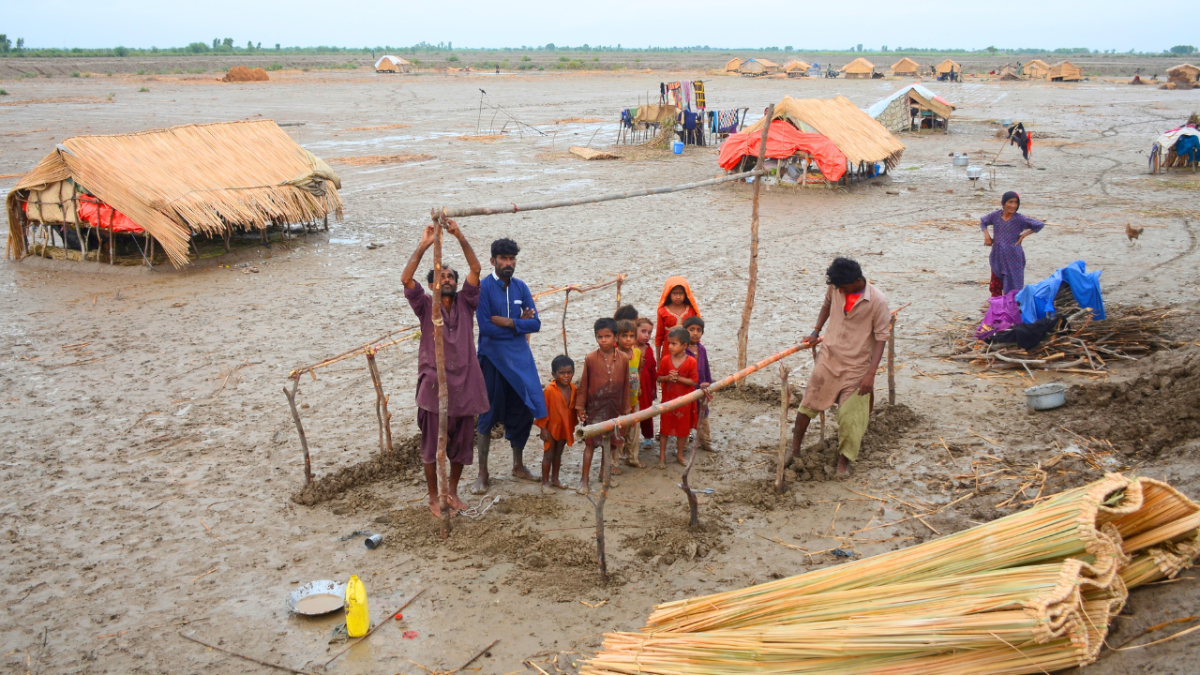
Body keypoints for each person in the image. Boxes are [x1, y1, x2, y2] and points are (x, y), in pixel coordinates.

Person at [400, 220, 488, 517]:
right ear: (433, 283)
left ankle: (451, 492)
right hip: (434, 385)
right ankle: (433, 496)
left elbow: (476, 269)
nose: (447, 279)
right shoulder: (426, 305)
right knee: (431, 446)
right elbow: (406, 278)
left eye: (451, 276)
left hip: (466, 385)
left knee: (462, 445)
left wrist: (460, 236)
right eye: (441, 276)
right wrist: (425, 245)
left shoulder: (467, 301)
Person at [790, 258, 891, 476]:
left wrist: (870, 375)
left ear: (857, 281)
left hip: (857, 366)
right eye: (837, 288)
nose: (840, 292)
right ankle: (794, 449)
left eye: (844, 288)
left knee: (850, 417)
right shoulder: (836, 288)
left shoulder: (878, 302)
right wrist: (816, 331)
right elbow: (827, 305)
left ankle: (844, 461)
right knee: (808, 404)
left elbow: (882, 338)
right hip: (829, 357)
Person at [473, 238, 547, 494]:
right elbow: (485, 328)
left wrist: (508, 323)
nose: (508, 263)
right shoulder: (482, 289)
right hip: (492, 360)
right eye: (503, 259)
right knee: (488, 413)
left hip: (519, 359)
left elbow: (536, 324)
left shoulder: (521, 288)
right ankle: (483, 472)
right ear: (493, 261)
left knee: (525, 409)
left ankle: (518, 464)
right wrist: (518, 324)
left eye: (512, 258)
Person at [574, 318, 630, 495]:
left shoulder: (623, 358)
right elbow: (584, 384)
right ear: (596, 338)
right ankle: (584, 480)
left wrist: (626, 410)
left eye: (607, 336)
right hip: (595, 407)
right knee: (590, 445)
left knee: (610, 445)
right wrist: (580, 407)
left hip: (614, 407)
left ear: (615, 338)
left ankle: (605, 476)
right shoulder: (590, 358)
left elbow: (626, 385)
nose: (603, 340)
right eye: (600, 337)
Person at [981, 191, 1045, 297]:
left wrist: (1023, 235)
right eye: (1010, 202)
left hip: (1014, 258)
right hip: (997, 255)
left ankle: (1011, 308)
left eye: (1016, 203)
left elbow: (1039, 224)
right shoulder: (995, 216)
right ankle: (996, 307)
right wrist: (987, 236)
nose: (1013, 205)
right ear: (1003, 203)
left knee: (1013, 288)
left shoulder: (1019, 219)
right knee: (995, 286)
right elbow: (983, 221)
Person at [657, 326, 699, 468]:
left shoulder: (691, 361)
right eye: (669, 343)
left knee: (682, 431)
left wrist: (678, 378)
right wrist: (668, 377)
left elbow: (694, 381)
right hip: (668, 400)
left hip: (684, 402)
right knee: (664, 429)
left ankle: (680, 454)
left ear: (684, 346)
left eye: (674, 344)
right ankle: (662, 457)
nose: (670, 346)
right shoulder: (665, 360)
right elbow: (659, 378)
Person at [535, 355, 576, 495]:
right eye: (562, 373)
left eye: (569, 372)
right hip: (551, 428)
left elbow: (574, 408)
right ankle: (545, 482)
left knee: (558, 454)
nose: (566, 376)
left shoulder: (573, 389)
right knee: (549, 455)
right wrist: (543, 428)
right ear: (554, 374)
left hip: (564, 427)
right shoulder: (549, 390)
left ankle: (555, 479)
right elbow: (542, 410)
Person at [615, 319, 647, 468]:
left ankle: (632, 458)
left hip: (634, 400)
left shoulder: (638, 353)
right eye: (624, 336)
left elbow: (638, 371)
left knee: (634, 432)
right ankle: (615, 462)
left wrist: (638, 387)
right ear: (617, 338)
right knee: (619, 432)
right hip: (619, 403)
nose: (628, 339)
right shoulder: (615, 355)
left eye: (631, 336)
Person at [682, 316, 713, 451]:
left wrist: (709, 383)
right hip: (687, 389)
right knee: (686, 416)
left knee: (704, 415)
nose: (695, 333)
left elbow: (706, 368)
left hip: (701, 388)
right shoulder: (681, 350)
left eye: (698, 330)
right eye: (691, 329)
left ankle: (705, 441)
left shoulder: (702, 349)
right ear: (684, 331)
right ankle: (682, 446)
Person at [655, 276, 700, 361]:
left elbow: (696, 333)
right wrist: (658, 358)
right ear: (669, 293)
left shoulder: (691, 310)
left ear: (686, 294)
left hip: (687, 352)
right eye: (675, 293)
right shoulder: (662, 311)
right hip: (668, 352)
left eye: (681, 293)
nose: (678, 296)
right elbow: (659, 336)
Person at [635, 316, 657, 448]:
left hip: (647, 385)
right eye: (643, 331)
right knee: (632, 411)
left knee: (647, 411)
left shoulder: (648, 350)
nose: (647, 335)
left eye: (649, 333)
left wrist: (654, 389)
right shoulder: (628, 349)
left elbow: (653, 371)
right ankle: (630, 439)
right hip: (633, 385)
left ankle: (648, 437)